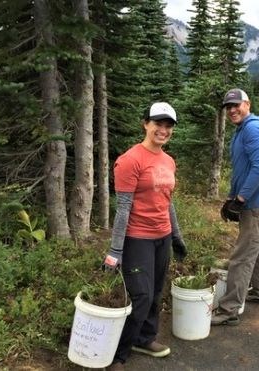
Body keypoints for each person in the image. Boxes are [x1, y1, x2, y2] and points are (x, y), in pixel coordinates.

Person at [103, 102, 187, 371]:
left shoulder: (168, 161)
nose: (163, 130)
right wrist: (115, 250)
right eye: (158, 124)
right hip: (137, 238)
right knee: (140, 295)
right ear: (145, 124)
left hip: (161, 236)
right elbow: (123, 207)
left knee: (156, 292)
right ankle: (118, 354)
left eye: (168, 125)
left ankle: (145, 338)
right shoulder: (130, 160)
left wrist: (176, 236)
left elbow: (168, 202)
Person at [211, 88, 259, 326]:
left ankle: (229, 309)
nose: (232, 110)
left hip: (257, 203)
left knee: (242, 256)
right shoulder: (244, 129)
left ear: (247, 104)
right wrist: (232, 197)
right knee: (257, 246)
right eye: (228, 107)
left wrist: (240, 200)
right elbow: (244, 168)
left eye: (236, 105)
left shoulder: (252, 129)